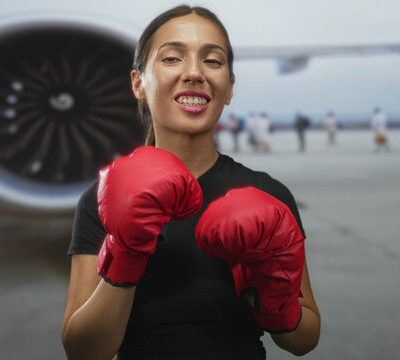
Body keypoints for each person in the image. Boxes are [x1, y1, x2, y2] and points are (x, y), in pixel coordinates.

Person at [61, 6, 320, 360]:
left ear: (229, 88)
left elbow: (305, 340)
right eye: (172, 58)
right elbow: (83, 352)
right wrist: (125, 253)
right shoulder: (100, 199)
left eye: (213, 61)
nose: (194, 73)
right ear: (138, 84)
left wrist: (273, 294)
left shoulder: (269, 194)